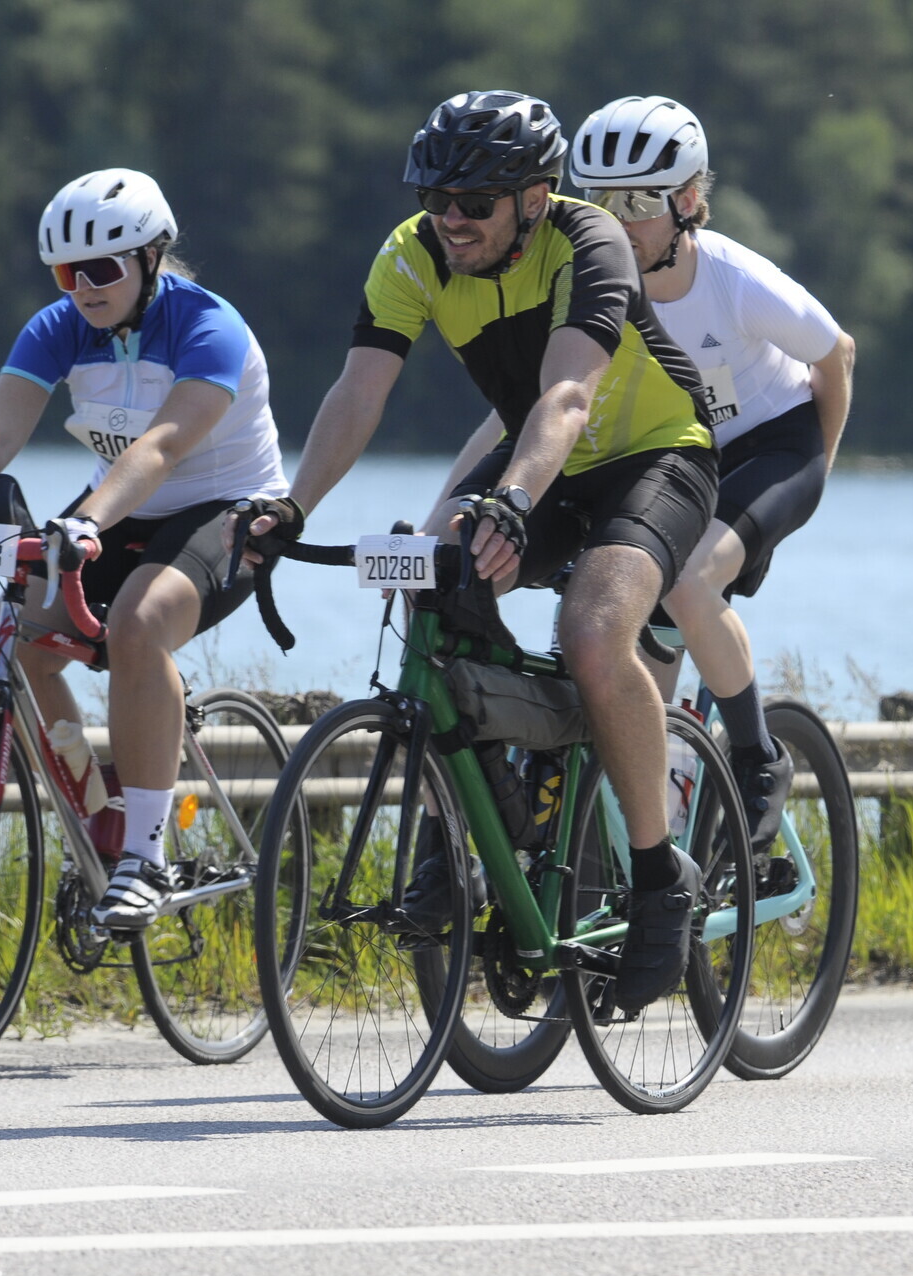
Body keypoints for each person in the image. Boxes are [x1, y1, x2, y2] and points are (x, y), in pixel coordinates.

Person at [260, 90, 717, 1011]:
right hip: (544, 462)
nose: (451, 219)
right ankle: (463, 830)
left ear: (535, 198)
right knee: (434, 573)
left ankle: (659, 874)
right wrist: (290, 505)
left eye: (474, 202)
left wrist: (510, 502)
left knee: (594, 632)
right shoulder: (412, 253)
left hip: (655, 456)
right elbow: (359, 392)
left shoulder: (590, 241)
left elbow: (566, 398)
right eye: (436, 198)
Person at [0, 168, 289, 930]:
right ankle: (98, 805)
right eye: (66, 273)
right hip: (120, 509)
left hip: (226, 511)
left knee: (139, 622)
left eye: (101, 269)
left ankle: (145, 855)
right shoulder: (59, 326)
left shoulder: (210, 327)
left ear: (151, 256)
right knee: (17, 635)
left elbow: (162, 447)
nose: (83, 288)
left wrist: (88, 522)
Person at [566, 96, 856, 852]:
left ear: (688, 201)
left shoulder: (732, 279)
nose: (617, 223)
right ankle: (650, 866)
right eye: (597, 202)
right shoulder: (594, 285)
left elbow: (837, 356)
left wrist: (816, 473)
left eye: (638, 204)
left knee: (689, 582)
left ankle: (759, 757)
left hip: (775, 447)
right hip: (679, 461)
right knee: (620, 645)